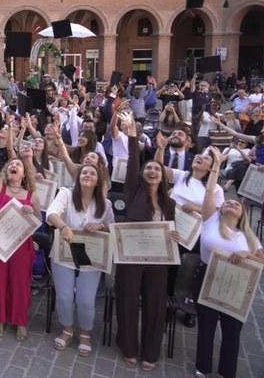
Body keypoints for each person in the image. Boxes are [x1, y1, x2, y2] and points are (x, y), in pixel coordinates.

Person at [115, 111, 181, 371]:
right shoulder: (133, 190)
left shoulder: (170, 202)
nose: (152, 170)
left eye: (157, 168)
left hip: (158, 259)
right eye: (149, 168)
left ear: (163, 175)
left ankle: (151, 350)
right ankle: (129, 347)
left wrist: (175, 235)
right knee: (128, 300)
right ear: (143, 174)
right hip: (130, 256)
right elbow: (133, 161)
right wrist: (132, 134)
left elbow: (173, 230)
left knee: (155, 304)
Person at [193, 146, 264, 378]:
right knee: (206, 326)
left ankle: (227, 372)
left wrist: (248, 255)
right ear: (220, 209)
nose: (232, 204)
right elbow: (209, 192)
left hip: (238, 282)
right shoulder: (210, 221)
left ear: (243, 214)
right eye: (228, 203)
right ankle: (202, 368)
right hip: (207, 275)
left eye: (237, 204)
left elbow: (261, 261)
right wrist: (216, 165)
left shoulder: (249, 237)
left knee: (232, 331)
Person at [0, 139, 42, 340]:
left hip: (22, 248)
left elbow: (39, 221)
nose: (14, 166)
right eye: (11, 164)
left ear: (24, 174)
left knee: (20, 284)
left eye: (18, 165)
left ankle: (20, 321)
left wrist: (32, 215)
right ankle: (0, 318)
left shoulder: (32, 195)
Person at [46, 164, 114, 356]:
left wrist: (100, 226)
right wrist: (63, 226)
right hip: (64, 251)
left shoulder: (105, 204)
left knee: (85, 299)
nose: (87, 175)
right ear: (78, 177)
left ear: (98, 180)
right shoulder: (66, 194)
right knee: (65, 296)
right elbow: (51, 213)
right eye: (84, 172)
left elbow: (112, 227)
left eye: (92, 173)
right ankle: (67, 329)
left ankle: (85, 333)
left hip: (92, 256)